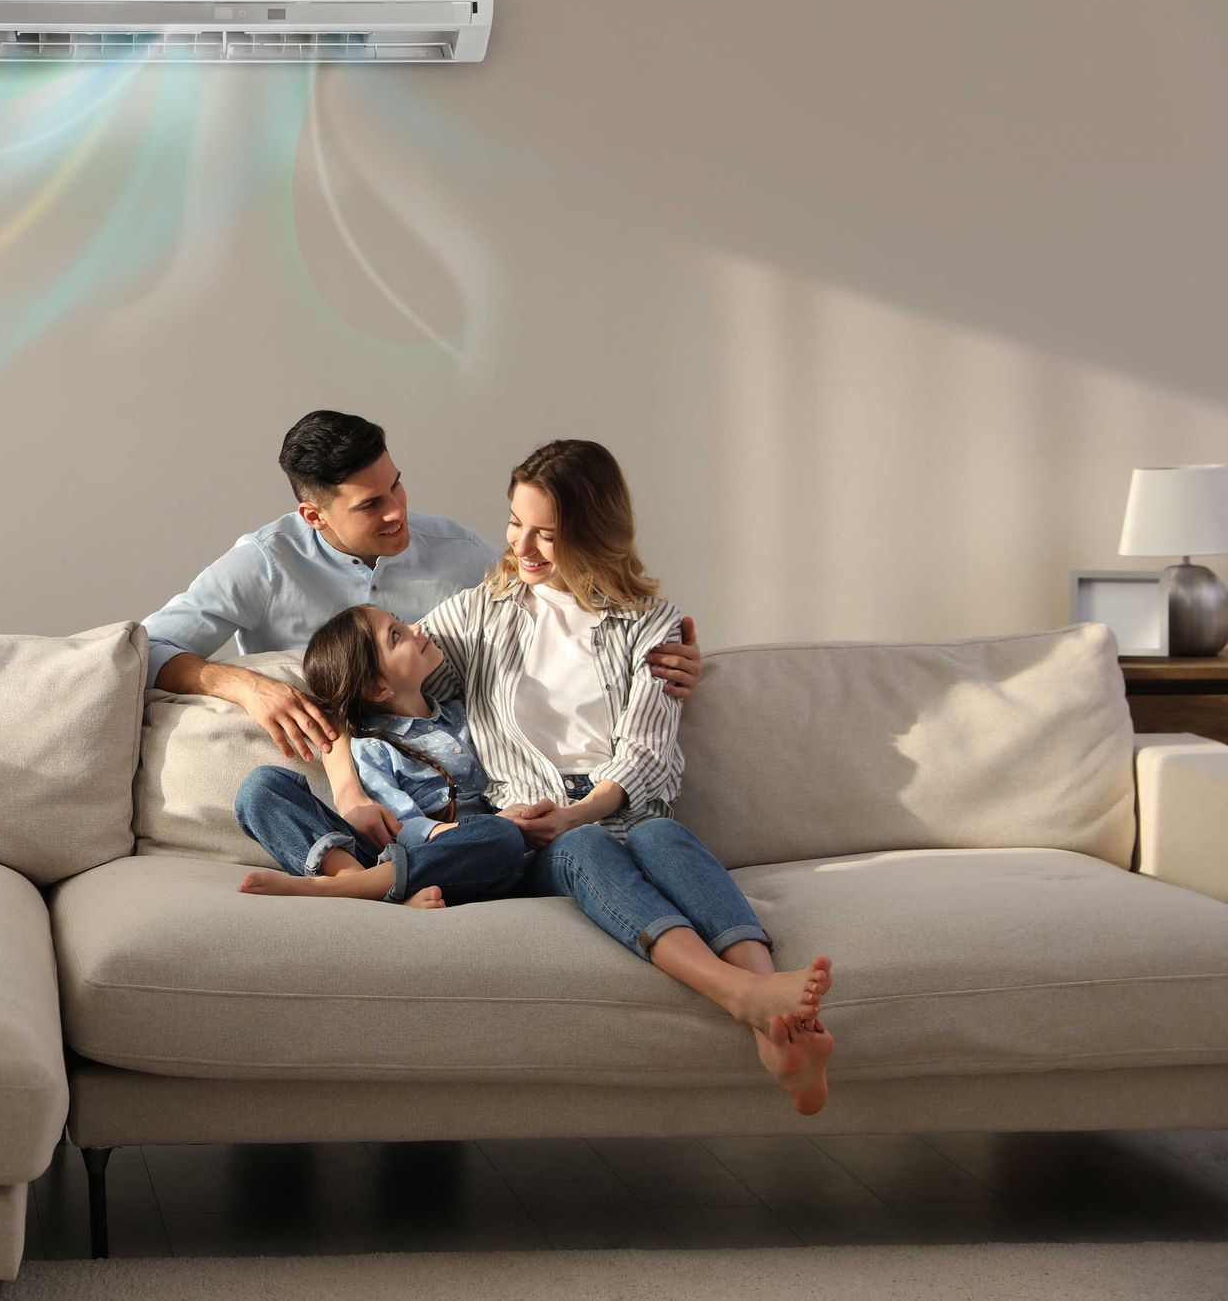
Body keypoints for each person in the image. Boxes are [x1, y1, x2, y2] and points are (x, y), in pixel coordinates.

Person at [403, 439, 835, 1114]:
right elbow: (378, 675)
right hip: (536, 827)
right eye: (517, 523)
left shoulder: (651, 625)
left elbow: (648, 750)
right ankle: (741, 995)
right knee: (585, 846)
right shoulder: (474, 615)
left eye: (549, 533)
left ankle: (780, 1028)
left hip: (623, 806)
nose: (525, 547)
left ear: (595, 533)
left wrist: (584, 808)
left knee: (661, 836)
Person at [140, 411, 706, 846]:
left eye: (397, 486)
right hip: (345, 777)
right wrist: (245, 684)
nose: (397, 512)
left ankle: (419, 867)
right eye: (370, 505)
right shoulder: (262, 564)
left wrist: (663, 657)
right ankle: (366, 875)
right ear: (314, 516)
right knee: (264, 792)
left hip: (463, 798)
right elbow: (143, 649)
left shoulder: (459, 553)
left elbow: (566, 610)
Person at [233, 605, 531, 909]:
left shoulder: (466, 714)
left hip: (462, 864)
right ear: (377, 688)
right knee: (261, 787)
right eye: (395, 635)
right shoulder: (374, 745)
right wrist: (459, 831)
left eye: (400, 623)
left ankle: (363, 890)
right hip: (396, 854)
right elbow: (400, 829)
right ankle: (356, 881)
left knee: (501, 837)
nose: (416, 628)